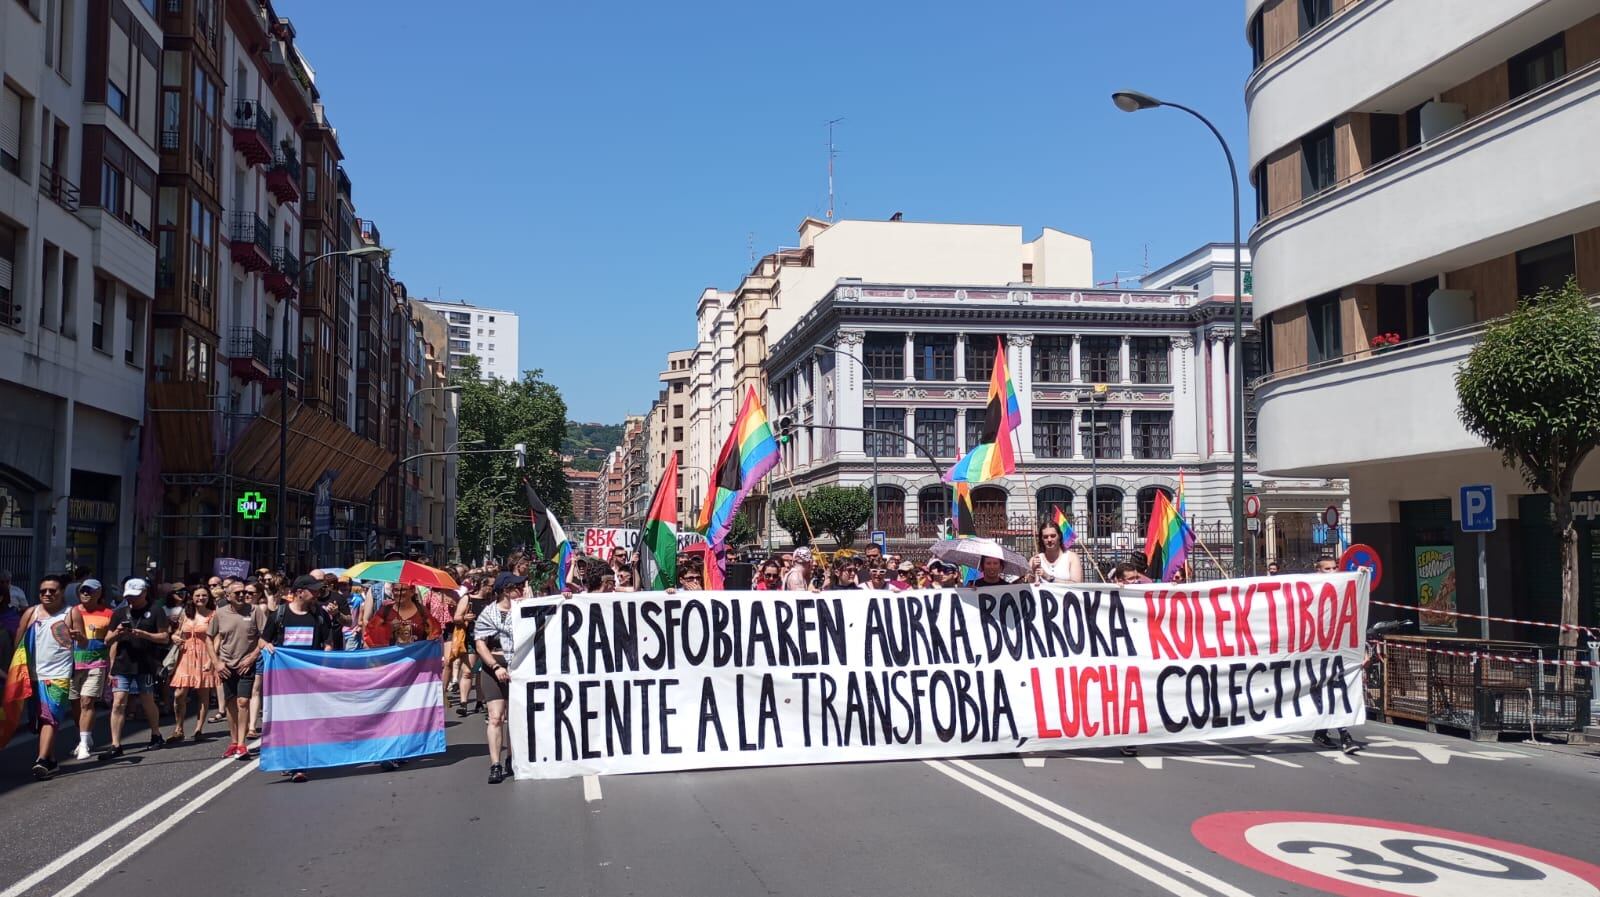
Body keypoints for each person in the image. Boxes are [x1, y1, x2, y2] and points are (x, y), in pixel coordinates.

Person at [260, 575, 339, 781]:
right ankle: (289, 760)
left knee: (305, 721)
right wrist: (267, 647)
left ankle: (299, 763)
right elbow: (262, 641)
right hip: (283, 680)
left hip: (309, 678)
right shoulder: (280, 614)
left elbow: (328, 645)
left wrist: (323, 669)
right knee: (286, 721)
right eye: (313, 590)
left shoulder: (319, 614)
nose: (317, 594)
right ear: (299, 592)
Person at [99, 579, 169, 760]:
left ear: (144, 593)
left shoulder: (155, 611)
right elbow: (107, 640)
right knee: (118, 701)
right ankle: (115, 744)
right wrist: (117, 633)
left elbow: (164, 637)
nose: (132, 599)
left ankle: (156, 734)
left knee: (147, 699)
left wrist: (144, 634)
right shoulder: (119, 612)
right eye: (129, 596)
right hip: (123, 663)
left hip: (146, 663)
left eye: (135, 596)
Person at [20, 575, 73, 779]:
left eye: (52, 591)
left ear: (61, 592)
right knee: (40, 720)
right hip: (33, 675)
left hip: (58, 674)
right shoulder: (31, 613)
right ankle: (50, 760)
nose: (48, 594)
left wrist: (79, 638)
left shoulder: (70, 613)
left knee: (49, 717)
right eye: (43, 591)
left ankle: (41, 760)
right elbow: (19, 641)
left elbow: (84, 643)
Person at [474, 572, 524, 785]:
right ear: (506, 591)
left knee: (514, 718)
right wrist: (495, 666)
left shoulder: (524, 609)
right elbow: (480, 643)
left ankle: (512, 759)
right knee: (496, 717)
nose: (521, 591)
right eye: (517, 588)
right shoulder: (488, 613)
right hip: (493, 668)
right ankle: (495, 764)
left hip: (518, 668)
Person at [209, 582, 264, 760]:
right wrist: (216, 662)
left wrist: (252, 657)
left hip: (246, 664)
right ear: (228, 596)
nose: (242, 595)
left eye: (244, 592)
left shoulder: (255, 611)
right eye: (238, 593)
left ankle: (242, 744)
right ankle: (233, 742)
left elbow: (264, 637)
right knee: (231, 704)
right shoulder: (220, 613)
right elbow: (209, 638)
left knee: (243, 702)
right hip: (226, 665)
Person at [66, 579, 113, 760]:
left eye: (90, 591)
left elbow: (112, 641)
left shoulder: (108, 613)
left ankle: (84, 744)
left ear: (99, 593)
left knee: (87, 701)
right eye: (83, 590)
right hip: (73, 664)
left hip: (97, 663)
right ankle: (85, 736)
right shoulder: (71, 612)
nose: (86, 593)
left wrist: (112, 666)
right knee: (75, 703)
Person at [167, 587, 217, 742]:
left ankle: (198, 729)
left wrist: (212, 660)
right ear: (192, 597)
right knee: (179, 694)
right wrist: (174, 637)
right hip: (185, 656)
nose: (201, 598)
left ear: (208, 597)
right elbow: (177, 632)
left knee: (203, 694)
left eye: (204, 595)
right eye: (197, 595)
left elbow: (217, 638)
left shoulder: (213, 615)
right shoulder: (185, 614)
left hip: (205, 655)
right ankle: (178, 729)